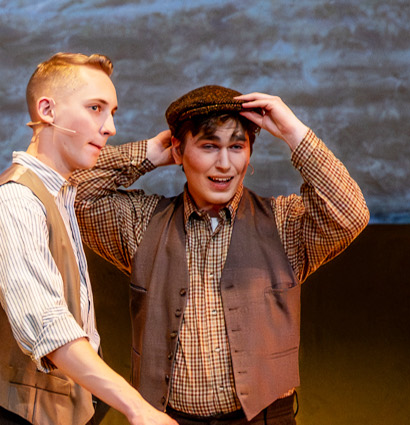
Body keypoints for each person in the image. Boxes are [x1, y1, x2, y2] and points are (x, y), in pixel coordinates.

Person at [72, 84, 368, 424]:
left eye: (237, 147)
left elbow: (350, 215)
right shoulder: (140, 222)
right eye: (209, 146)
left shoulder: (283, 223)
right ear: (179, 150)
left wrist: (293, 133)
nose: (225, 164)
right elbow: (73, 190)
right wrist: (151, 153)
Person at [0, 52, 174, 425]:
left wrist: (153, 153)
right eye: (95, 108)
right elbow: (49, 328)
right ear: (47, 110)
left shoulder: (59, 194)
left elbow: (86, 175)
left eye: (112, 112)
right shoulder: (16, 202)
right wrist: (137, 407)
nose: (110, 127)